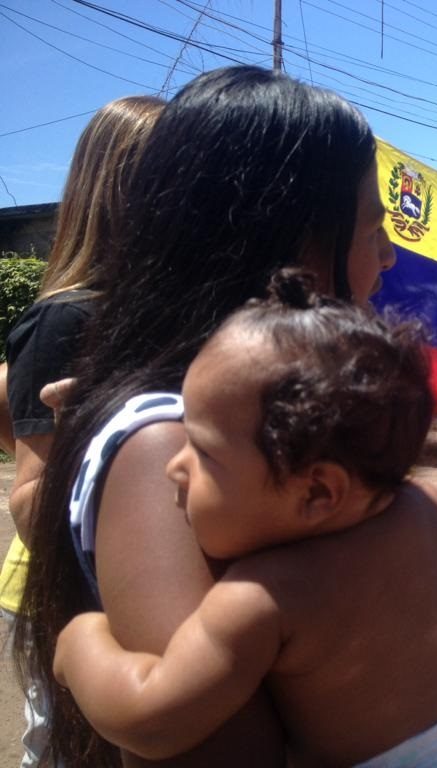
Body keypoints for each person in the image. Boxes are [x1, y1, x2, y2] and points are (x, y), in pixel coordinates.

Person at [14, 66, 437, 767]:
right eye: (372, 227)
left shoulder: (240, 440)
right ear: (287, 243)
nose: (388, 254)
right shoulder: (163, 441)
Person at [53, 273, 437, 765]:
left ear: (317, 492)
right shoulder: (430, 505)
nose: (172, 466)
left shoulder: (259, 599)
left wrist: (78, 643)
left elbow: (152, 721)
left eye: (201, 451)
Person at [0, 94, 165, 768]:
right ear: (124, 191)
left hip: (134, 590)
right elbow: (29, 498)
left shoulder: (162, 313)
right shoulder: (65, 320)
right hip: (61, 596)